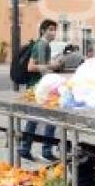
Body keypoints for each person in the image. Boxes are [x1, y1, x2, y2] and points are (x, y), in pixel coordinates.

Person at [19, 19, 64, 162]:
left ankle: (25, 149)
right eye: (51, 29)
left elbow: (40, 65)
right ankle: (45, 150)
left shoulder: (42, 44)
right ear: (43, 30)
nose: (53, 32)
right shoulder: (42, 45)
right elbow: (31, 67)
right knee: (49, 118)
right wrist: (52, 69)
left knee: (35, 119)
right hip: (39, 87)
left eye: (55, 29)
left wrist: (52, 65)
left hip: (38, 87)